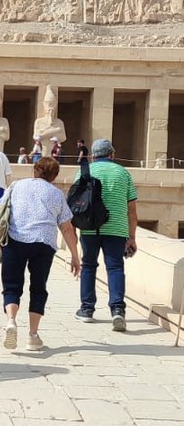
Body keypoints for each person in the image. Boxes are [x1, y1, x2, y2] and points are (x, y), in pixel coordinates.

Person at [1, 157, 81, 352]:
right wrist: (75, 256)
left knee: (12, 285)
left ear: (35, 170)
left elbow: (1, 210)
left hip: (16, 239)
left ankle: (11, 321)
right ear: (54, 176)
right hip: (44, 243)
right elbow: (67, 227)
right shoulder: (56, 194)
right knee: (38, 288)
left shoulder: (16, 186)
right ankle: (32, 336)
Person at [75, 137, 138, 332]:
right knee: (115, 267)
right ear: (112, 154)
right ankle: (117, 309)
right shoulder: (123, 173)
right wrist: (132, 237)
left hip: (89, 226)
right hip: (116, 228)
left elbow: (76, 201)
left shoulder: (85, 171)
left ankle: (87, 309)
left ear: (93, 156)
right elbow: (132, 210)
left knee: (88, 265)